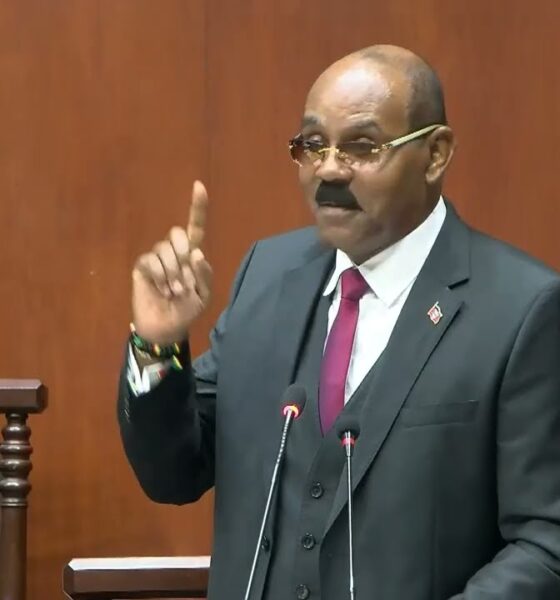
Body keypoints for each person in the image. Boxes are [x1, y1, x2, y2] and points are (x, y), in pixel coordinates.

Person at [117, 45, 560, 599]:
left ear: (435, 154)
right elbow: (173, 473)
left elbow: (546, 543)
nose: (328, 168)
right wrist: (158, 347)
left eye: (361, 146)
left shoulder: (521, 309)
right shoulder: (266, 277)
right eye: (312, 145)